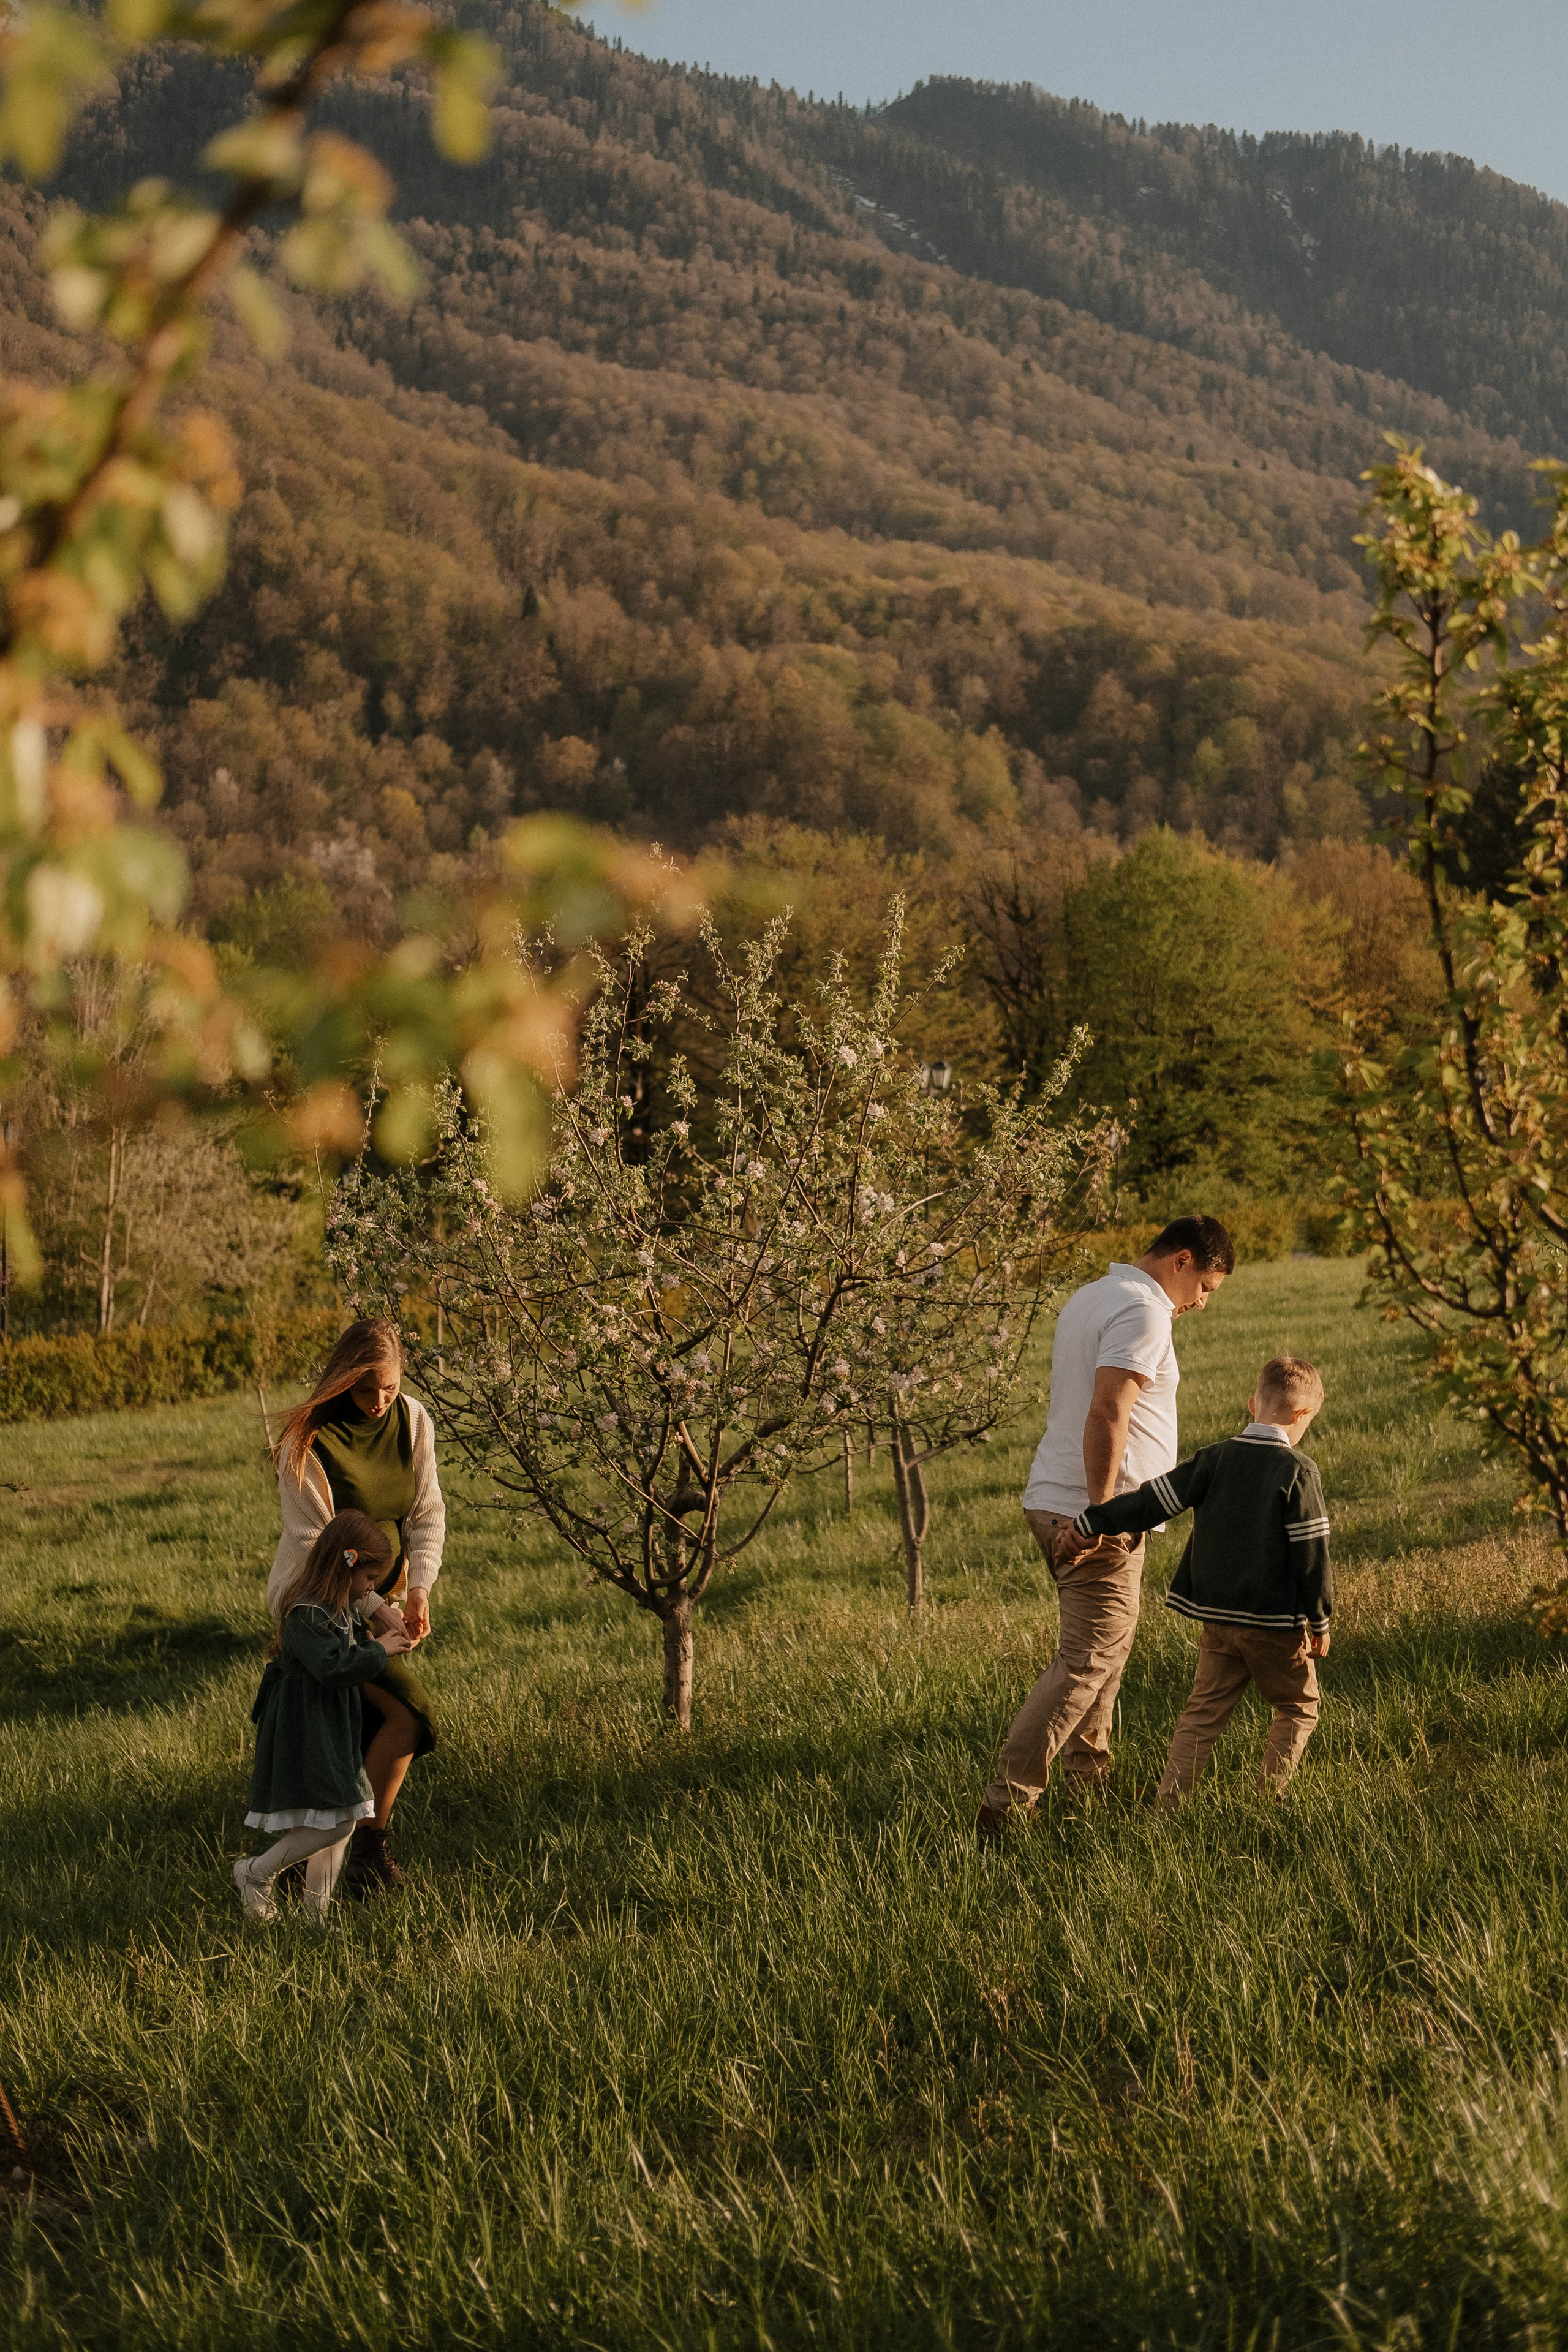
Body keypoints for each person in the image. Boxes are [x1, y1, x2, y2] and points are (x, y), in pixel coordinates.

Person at [976, 1214, 1234, 1840]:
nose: (1199, 1304)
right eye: (1204, 1287)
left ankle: (1090, 1784)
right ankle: (1006, 1808)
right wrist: (1099, 1513)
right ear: (1181, 1261)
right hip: (1094, 1510)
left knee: (1104, 1656)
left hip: (1062, 1498)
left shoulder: (1093, 1296)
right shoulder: (1143, 1312)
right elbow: (1107, 1411)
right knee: (1088, 1660)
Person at [1062, 1354, 1331, 1801]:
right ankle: (1269, 1798)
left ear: (1253, 1404)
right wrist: (1319, 1621)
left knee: (1201, 1714)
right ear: (1303, 1415)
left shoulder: (1214, 1459)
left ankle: (1170, 1804)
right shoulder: (1298, 1471)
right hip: (1273, 1624)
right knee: (1298, 1707)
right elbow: (1312, 1553)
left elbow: (1150, 1502)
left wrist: (1093, 1521)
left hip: (1216, 1618)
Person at [269, 1317, 446, 1895]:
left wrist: (417, 1587)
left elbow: (424, 1512)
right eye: (366, 1390)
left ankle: (314, 1866)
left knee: (357, 1727)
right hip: (317, 1607)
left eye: (390, 1389)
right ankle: (363, 1855)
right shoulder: (308, 1442)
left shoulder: (414, 1421)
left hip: (376, 1601)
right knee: (409, 1713)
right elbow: (312, 1548)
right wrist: (374, 1605)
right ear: (343, 1380)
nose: (378, 1402)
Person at [235, 1511, 413, 1923]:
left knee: (342, 1819)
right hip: (306, 1729)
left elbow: (345, 1657)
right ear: (344, 1567)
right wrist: (377, 1650)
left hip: (331, 1727)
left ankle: (313, 1918)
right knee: (336, 1823)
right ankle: (255, 1872)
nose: (371, 1590)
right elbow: (333, 1667)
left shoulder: (340, 1608)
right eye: (369, 1579)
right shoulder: (305, 1614)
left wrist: (369, 1642)